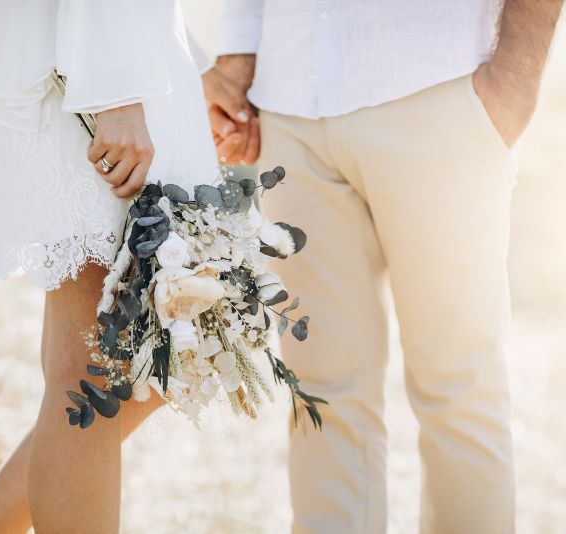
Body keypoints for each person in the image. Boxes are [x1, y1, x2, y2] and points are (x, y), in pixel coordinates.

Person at [203, 1, 563, 532]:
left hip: (438, 84)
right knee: (322, 392)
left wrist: (517, 76)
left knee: (459, 386)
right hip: (292, 97)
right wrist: (237, 60)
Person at [0, 1, 220, 532]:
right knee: (95, 370)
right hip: (99, 81)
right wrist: (114, 91)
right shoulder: (111, 86)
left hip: (131, 62)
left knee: (140, 359)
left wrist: (195, 63)